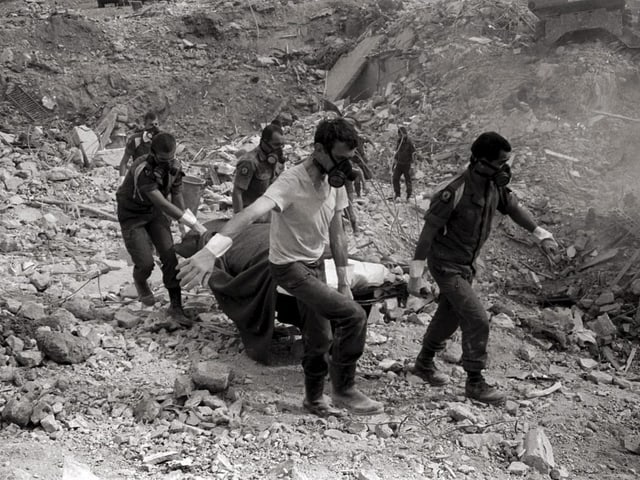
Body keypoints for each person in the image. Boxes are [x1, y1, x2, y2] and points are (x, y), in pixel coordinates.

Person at [177, 118, 383, 417]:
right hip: (287, 266)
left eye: (348, 160)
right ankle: (344, 390)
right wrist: (211, 250)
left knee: (321, 337)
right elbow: (248, 214)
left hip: (313, 265)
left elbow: (337, 232)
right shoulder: (290, 182)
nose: (344, 167)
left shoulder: (332, 181)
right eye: (339, 158)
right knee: (353, 317)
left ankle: (313, 400)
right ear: (319, 149)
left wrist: (343, 280)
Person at [407, 132, 559, 405]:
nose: (505, 169)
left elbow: (514, 209)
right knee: (477, 318)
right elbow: (428, 232)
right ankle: (475, 382)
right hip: (445, 265)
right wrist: (415, 275)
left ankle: (424, 363)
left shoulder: (494, 187)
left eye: (506, 162)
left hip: (467, 265)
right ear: (479, 162)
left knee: (450, 315)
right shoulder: (453, 191)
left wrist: (541, 234)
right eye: (500, 163)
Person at [116, 132, 207, 326]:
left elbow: (177, 196)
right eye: (162, 159)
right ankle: (140, 280)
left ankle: (176, 306)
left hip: (154, 213)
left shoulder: (175, 167)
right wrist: (194, 224)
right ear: (153, 153)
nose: (167, 163)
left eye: (171, 158)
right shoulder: (142, 169)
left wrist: (186, 225)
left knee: (169, 257)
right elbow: (163, 203)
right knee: (146, 262)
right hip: (132, 215)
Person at [232, 123, 285, 216]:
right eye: (276, 145)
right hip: (252, 215)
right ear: (264, 142)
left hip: (270, 213)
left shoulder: (276, 160)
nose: (279, 149)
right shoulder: (250, 162)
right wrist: (239, 219)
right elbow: (237, 192)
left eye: (281, 145)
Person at [118, 111, 160, 183]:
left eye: (156, 124)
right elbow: (124, 162)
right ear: (145, 125)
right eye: (151, 125)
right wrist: (122, 180)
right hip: (139, 176)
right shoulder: (136, 140)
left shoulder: (161, 139)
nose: (154, 127)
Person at [392, 126, 416, 201]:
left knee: (408, 180)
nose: (400, 136)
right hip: (399, 164)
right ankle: (397, 194)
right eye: (399, 135)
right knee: (395, 178)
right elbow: (397, 152)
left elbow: (414, 153)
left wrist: (413, 164)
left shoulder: (409, 142)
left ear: (405, 134)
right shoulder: (399, 141)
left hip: (407, 164)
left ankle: (409, 195)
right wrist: (393, 164)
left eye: (402, 134)